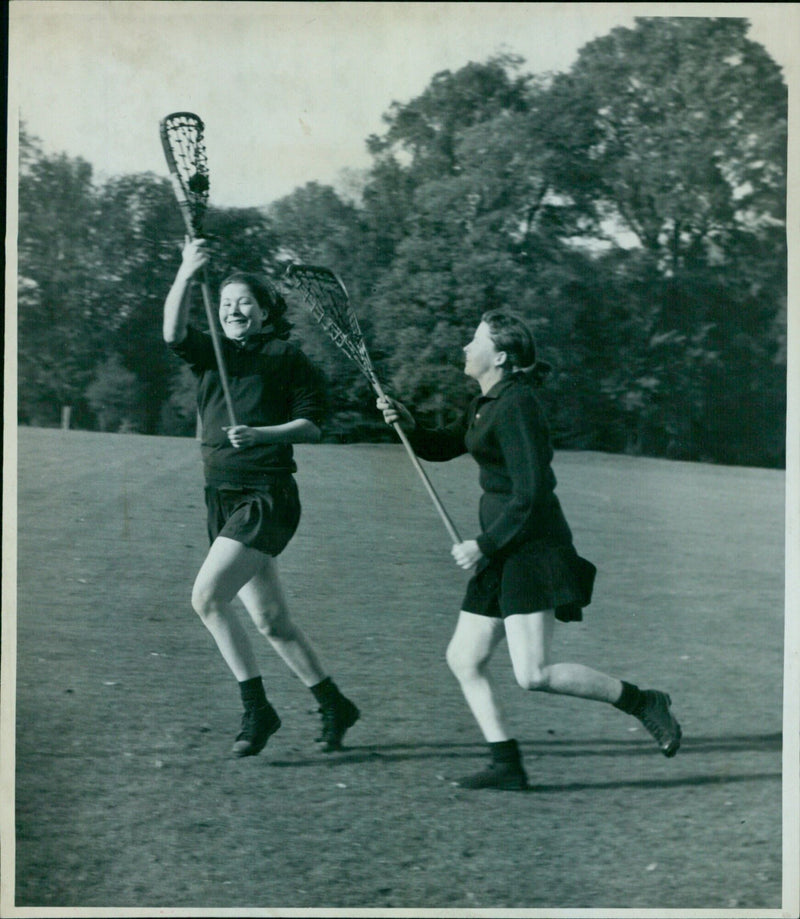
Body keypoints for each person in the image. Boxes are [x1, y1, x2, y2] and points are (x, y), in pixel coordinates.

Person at [377, 310, 681, 790]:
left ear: (499, 355)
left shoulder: (518, 405)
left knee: (533, 672)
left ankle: (643, 701)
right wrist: (408, 424)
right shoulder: (486, 402)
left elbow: (532, 493)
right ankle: (506, 763)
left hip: (530, 548)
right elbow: (443, 445)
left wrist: (484, 544)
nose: (464, 348)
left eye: (474, 340)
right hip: (502, 550)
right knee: (464, 658)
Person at [163, 238, 359, 758]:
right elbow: (172, 332)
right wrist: (186, 272)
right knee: (272, 620)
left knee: (206, 598)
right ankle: (335, 703)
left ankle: (257, 710)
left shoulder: (286, 357)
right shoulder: (212, 352)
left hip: (266, 496)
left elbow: (314, 426)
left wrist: (263, 433)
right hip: (221, 498)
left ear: (267, 310)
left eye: (244, 302)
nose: (233, 310)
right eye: (226, 304)